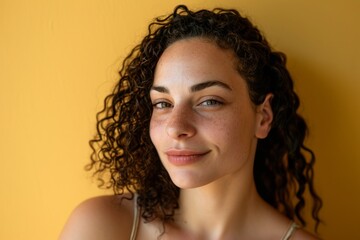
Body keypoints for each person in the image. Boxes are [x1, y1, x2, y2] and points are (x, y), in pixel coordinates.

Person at [60, 5, 322, 240]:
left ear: (263, 117)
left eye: (209, 101)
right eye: (163, 103)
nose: (175, 126)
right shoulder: (102, 226)